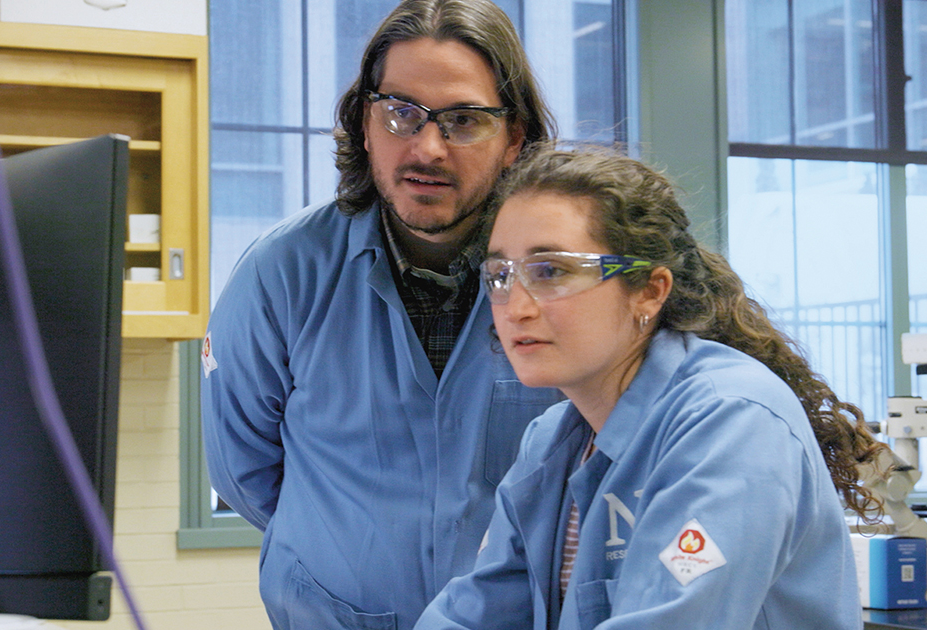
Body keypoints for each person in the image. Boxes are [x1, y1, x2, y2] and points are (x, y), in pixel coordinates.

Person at [415, 143, 885, 630]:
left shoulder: (731, 422)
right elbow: (472, 615)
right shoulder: (552, 441)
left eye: (550, 271)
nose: (516, 307)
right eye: (501, 275)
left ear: (649, 290)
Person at [200, 1, 563, 628]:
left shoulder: (563, 284)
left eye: (465, 120)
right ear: (364, 124)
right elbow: (245, 474)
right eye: (400, 113)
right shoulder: (281, 274)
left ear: (514, 140)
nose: (427, 147)